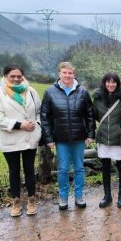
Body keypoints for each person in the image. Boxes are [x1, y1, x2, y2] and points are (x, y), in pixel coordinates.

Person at [40, 62, 95, 210]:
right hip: (60, 138)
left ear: (74, 75)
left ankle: (79, 196)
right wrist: (49, 138)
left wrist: (90, 134)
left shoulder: (83, 92)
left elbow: (90, 115)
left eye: (70, 73)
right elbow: (44, 117)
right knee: (63, 168)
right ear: (59, 74)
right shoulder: (50, 92)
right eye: (64, 72)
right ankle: (63, 197)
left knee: (79, 168)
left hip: (79, 137)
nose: (67, 75)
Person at [0, 65, 41, 217]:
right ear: (5, 76)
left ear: (23, 76)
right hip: (10, 138)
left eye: (19, 76)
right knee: (14, 171)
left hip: (29, 137)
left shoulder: (31, 91)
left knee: (29, 169)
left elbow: (39, 111)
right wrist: (20, 125)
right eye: (12, 76)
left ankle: (31, 200)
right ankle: (16, 201)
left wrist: (37, 125)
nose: (16, 79)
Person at [92, 72, 121, 208]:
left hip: (119, 138)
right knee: (106, 167)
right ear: (104, 83)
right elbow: (95, 115)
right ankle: (107, 196)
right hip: (103, 137)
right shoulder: (98, 98)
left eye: (114, 82)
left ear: (117, 83)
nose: (111, 84)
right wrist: (104, 127)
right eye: (108, 81)